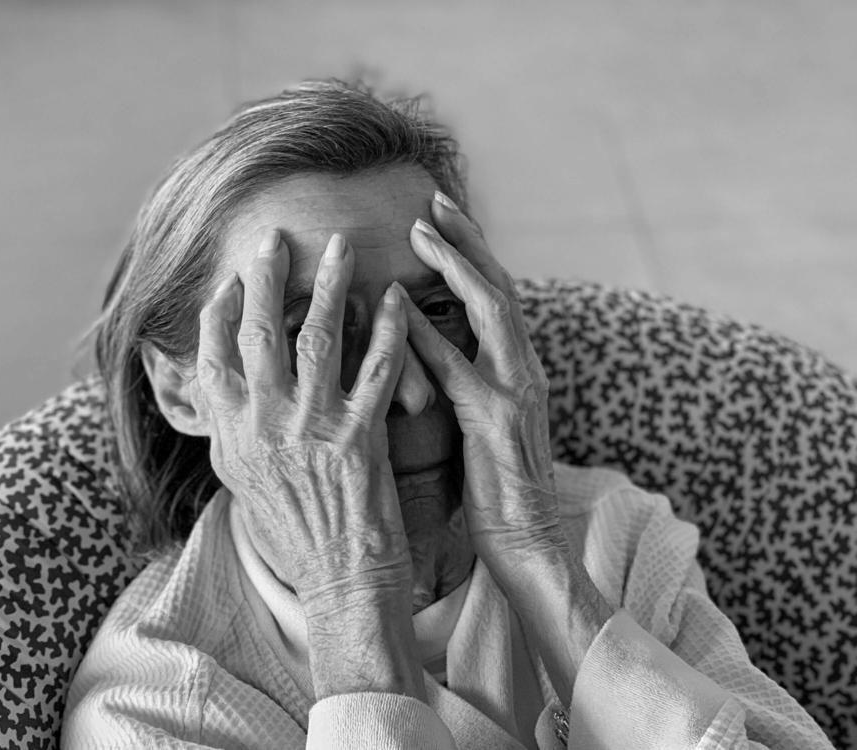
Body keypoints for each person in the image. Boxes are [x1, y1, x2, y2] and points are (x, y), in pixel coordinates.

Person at [62, 79, 832, 749]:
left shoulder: (608, 538)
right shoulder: (155, 711)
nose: (411, 391)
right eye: (311, 337)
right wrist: (351, 605)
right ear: (181, 390)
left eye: (436, 311)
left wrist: (539, 560)